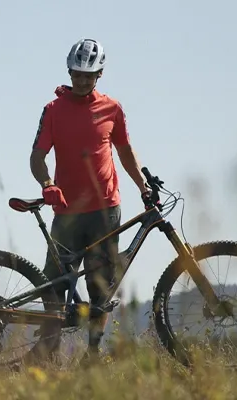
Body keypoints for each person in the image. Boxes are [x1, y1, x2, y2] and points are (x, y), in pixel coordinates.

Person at [29, 38, 148, 349]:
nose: (82, 81)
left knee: (101, 288)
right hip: (67, 212)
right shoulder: (53, 110)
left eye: (88, 76)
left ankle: (92, 354)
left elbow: (125, 152)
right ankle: (47, 351)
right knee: (53, 286)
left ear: (100, 74)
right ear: (69, 73)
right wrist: (47, 184)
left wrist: (142, 186)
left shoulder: (113, 109)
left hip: (104, 211)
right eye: (77, 75)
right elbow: (37, 157)